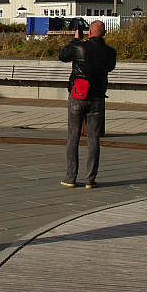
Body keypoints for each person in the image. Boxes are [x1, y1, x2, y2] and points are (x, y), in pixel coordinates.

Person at [58, 19, 116, 189]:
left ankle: (70, 177)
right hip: (97, 98)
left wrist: (75, 40)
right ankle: (90, 179)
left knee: (73, 137)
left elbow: (62, 56)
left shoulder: (79, 47)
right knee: (93, 139)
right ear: (104, 34)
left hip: (78, 95)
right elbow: (110, 67)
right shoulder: (110, 52)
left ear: (89, 32)